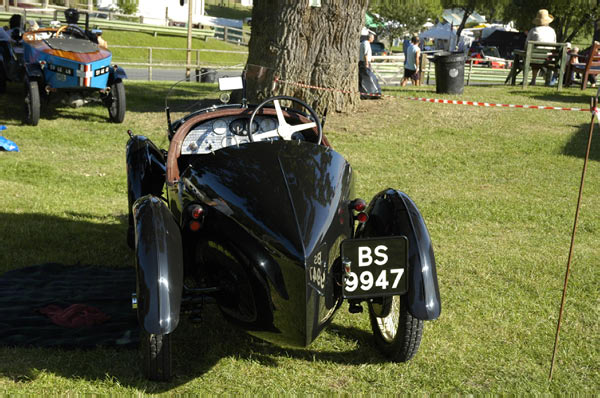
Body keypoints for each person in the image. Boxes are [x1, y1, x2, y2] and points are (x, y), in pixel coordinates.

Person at [525, 9, 556, 85]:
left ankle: (533, 80)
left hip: (534, 58)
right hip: (548, 58)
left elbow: (526, 45)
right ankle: (547, 81)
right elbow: (554, 46)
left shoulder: (533, 30)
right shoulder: (552, 31)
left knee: (533, 57)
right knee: (539, 57)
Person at [358, 32, 381, 99]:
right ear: (370, 38)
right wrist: (367, 63)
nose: (373, 40)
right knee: (370, 78)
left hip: (364, 62)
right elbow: (365, 54)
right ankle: (372, 93)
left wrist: (371, 58)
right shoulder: (366, 44)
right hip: (364, 63)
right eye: (373, 38)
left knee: (365, 78)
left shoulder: (364, 43)